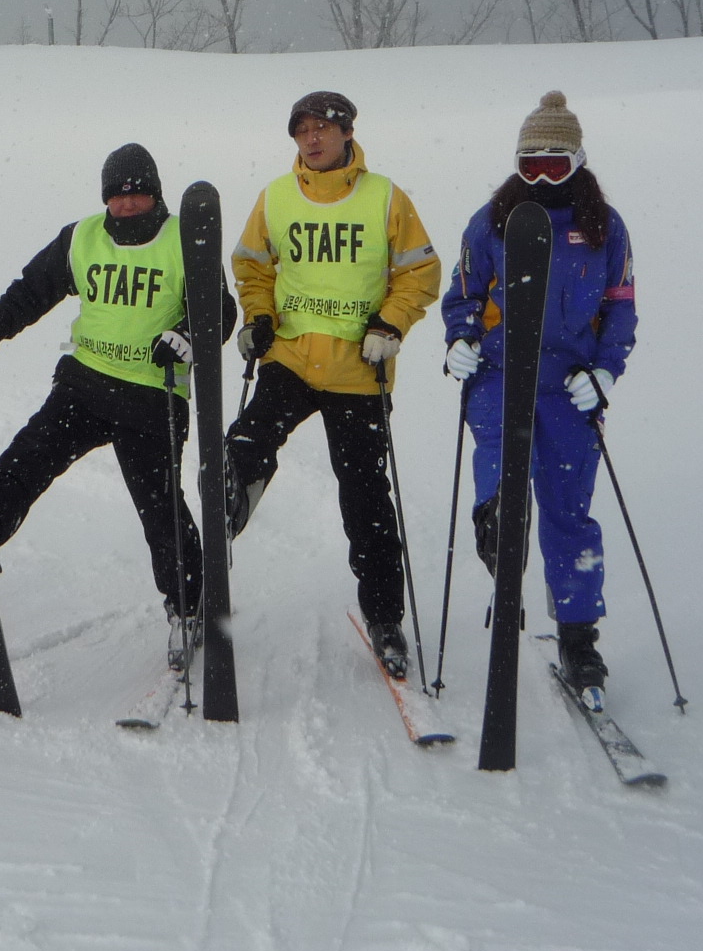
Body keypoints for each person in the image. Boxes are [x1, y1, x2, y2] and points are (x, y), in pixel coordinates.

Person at [0, 144, 235, 669]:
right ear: (105, 198)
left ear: (155, 193)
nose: (127, 205)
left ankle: (188, 605)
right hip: (85, 383)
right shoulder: (81, 236)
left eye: (138, 194)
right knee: (33, 452)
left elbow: (221, 310)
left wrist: (187, 336)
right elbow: (32, 290)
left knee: (158, 509)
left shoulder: (183, 238)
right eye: (117, 196)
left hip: (154, 396)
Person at [224, 91, 442, 678]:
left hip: (357, 370)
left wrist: (391, 324)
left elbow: (421, 271)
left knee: (366, 497)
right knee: (241, 446)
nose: (313, 138)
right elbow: (251, 265)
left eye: (324, 128)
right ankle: (228, 518)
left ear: (348, 133)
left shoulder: (386, 198)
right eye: (303, 130)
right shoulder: (275, 196)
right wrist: (258, 315)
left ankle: (385, 617)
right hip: (292, 359)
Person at [439, 90, 636, 702]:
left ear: (578, 161)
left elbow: (620, 309)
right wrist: (460, 340)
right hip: (501, 374)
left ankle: (578, 637)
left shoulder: (604, 227)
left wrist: (604, 372)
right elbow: (465, 291)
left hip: (569, 389)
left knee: (567, 510)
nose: (542, 177)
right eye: (530, 166)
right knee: (500, 466)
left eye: (555, 164)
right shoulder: (491, 220)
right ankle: (498, 534)